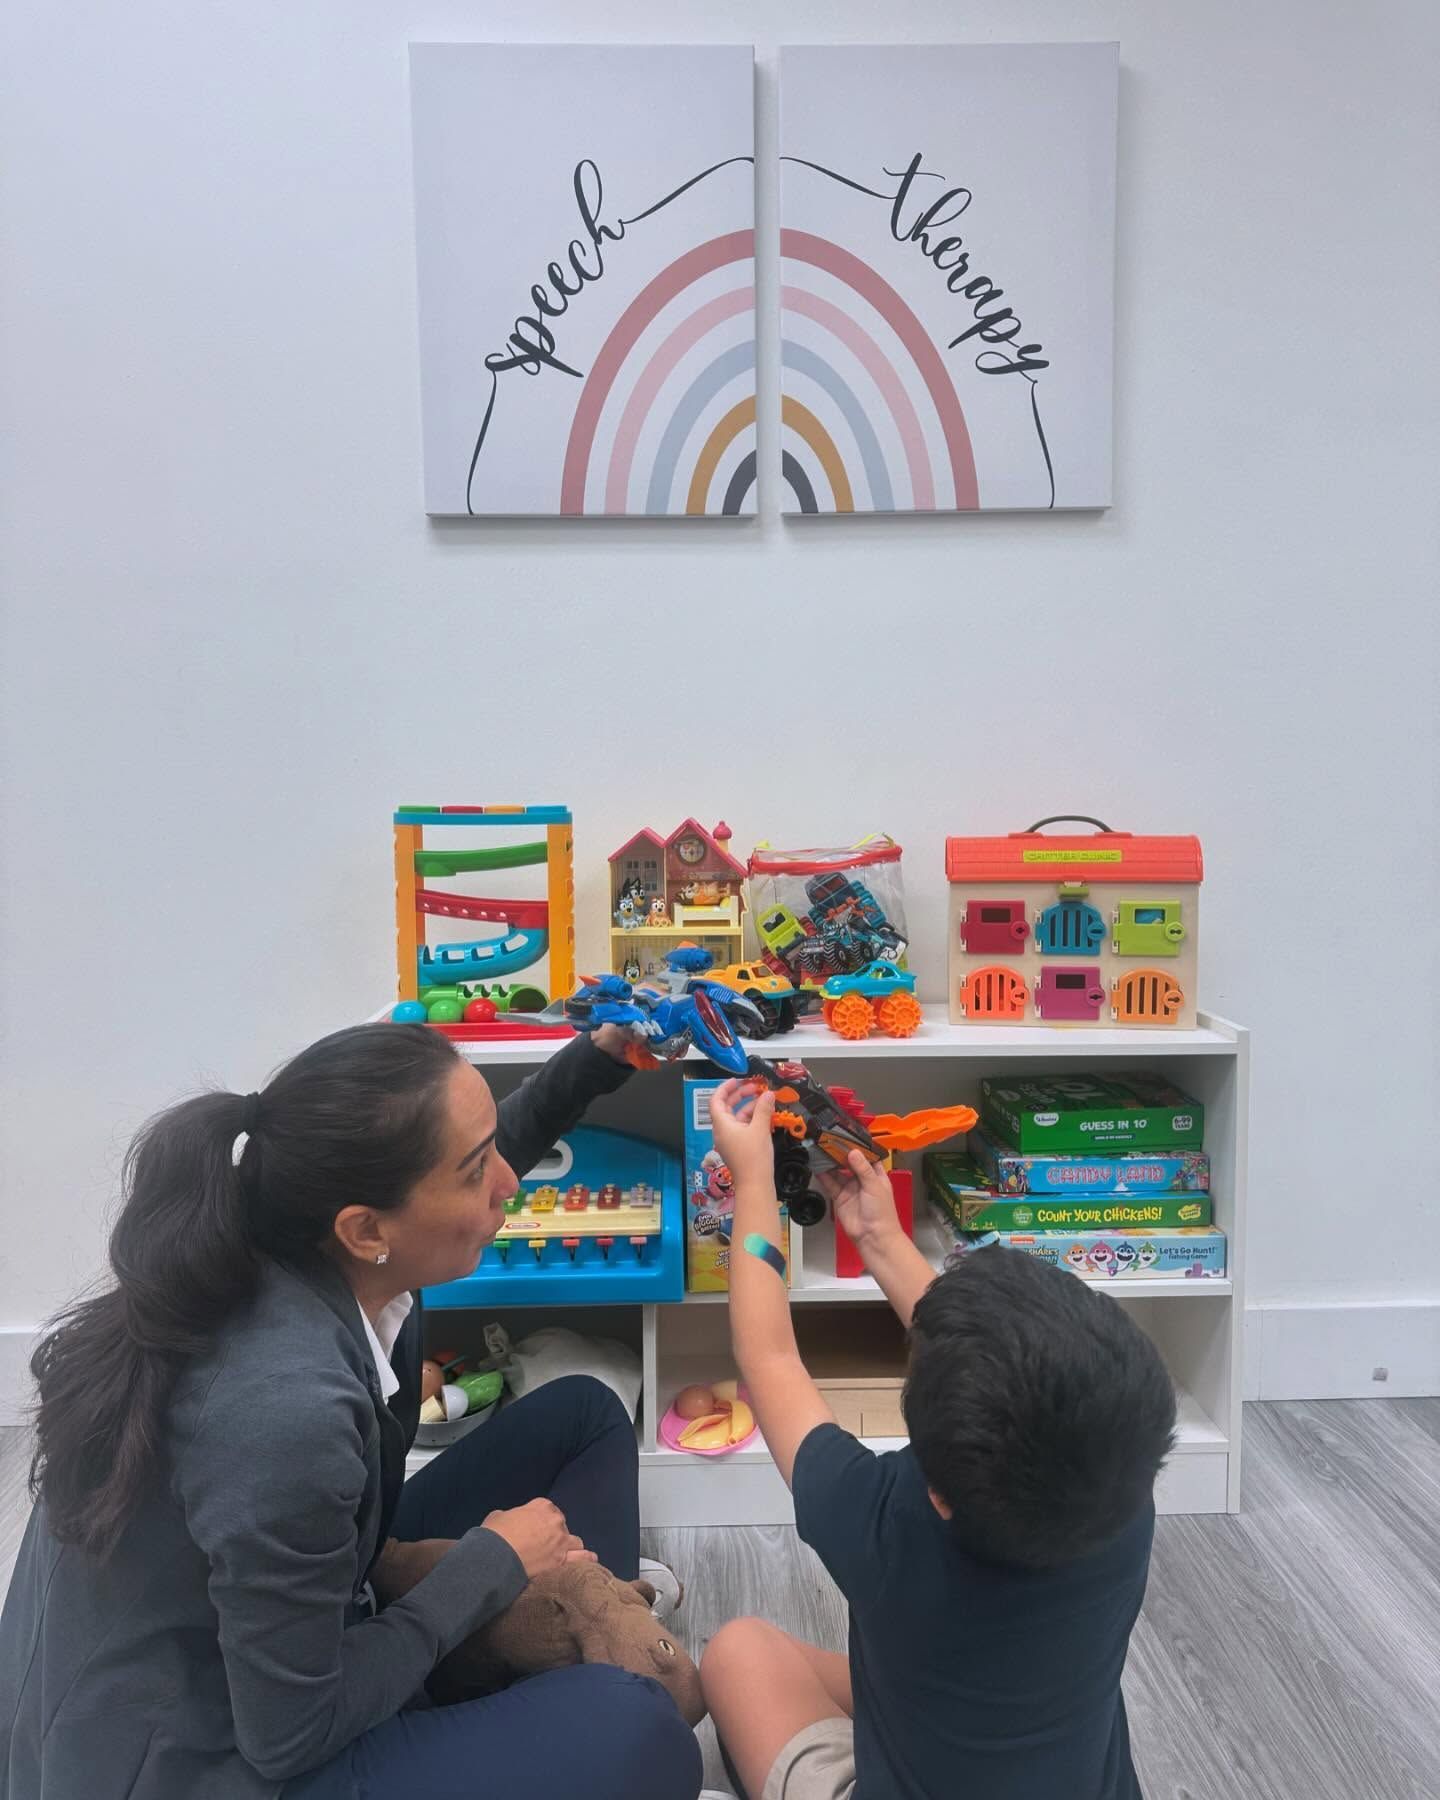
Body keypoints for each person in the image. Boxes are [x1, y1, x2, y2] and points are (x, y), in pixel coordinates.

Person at [0, 1023, 702, 1800]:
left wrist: (596, 1059)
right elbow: (287, 1736)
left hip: (289, 1635)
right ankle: (556, 1689)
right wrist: (488, 1569)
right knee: (640, 1731)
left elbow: (484, 1159)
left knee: (586, 1416)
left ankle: (564, 1654)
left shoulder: (297, 1241)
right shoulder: (285, 1408)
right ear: (366, 1228)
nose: (508, 1181)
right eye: (476, 1171)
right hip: (200, 1762)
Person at [699, 1077, 1177, 1800]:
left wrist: (755, 1183)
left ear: (940, 1496)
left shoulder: (882, 1523)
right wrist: (881, 1237)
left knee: (738, 1652)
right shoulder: (1119, 1492)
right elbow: (982, 1362)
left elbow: (768, 1358)